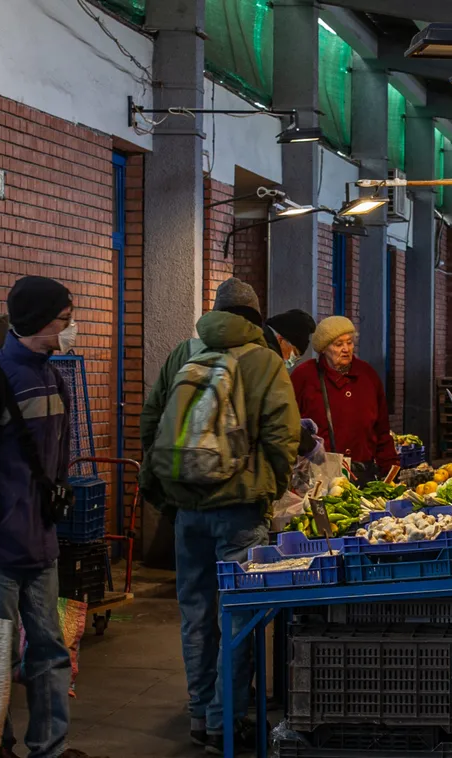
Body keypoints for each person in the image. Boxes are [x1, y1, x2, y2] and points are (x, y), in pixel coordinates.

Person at [0, 276, 100, 758]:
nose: (70, 329)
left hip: (42, 544)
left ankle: (49, 746)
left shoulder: (53, 376)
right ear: (35, 323)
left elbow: (59, 461)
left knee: (50, 650)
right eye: (64, 321)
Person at [139, 277, 300, 754]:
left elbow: (150, 423)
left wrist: (169, 492)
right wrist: (267, 490)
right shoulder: (265, 362)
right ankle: (225, 721)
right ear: (255, 317)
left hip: (187, 511)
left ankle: (199, 716)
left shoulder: (182, 353)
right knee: (239, 617)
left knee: (194, 616)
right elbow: (282, 437)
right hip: (239, 511)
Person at [290, 316, 399, 481]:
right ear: (324, 349)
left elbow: (381, 430)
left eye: (350, 342)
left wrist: (392, 471)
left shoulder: (367, 375)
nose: (346, 349)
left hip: (363, 474)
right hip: (318, 475)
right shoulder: (305, 376)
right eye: (338, 344)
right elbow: (289, 425)